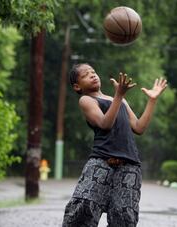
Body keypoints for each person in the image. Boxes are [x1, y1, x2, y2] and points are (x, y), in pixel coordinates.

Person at [62, 63, 167, 227]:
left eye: (93, 71)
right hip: (101, 161)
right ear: (77, 86)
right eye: (85, 75)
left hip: (129, 165)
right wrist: (118, 95)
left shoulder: (119, 100)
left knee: (124, 215)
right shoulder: (87, 100)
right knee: (83, 208)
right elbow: (105, 124)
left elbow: (139, 127)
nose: (92, 75)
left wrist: (152, 100)